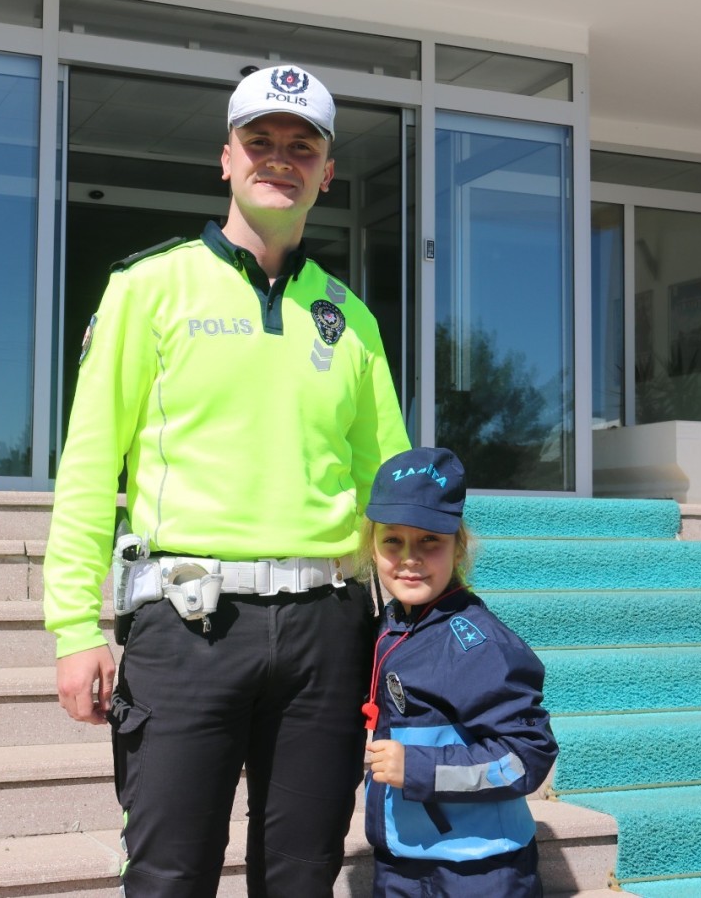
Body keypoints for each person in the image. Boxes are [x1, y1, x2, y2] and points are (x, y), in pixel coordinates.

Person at [42, 63, 411, 897]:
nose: (279, 158)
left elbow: (387, 488)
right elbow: (89, 467)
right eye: (259, 141)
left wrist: (419, 623)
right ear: (226, 159)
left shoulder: (350, 317)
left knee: (302, 876)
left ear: (326, 172)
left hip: (328, 630)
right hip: (188, 626)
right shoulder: (147, 288)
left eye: (301, 147)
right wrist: (72, 628)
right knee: (169, 876)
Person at [359, 446, 557, 898]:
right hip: (401, 859)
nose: (410, 557)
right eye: (393, 541)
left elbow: (526, 756)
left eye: (430, 540)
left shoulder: (479, 644)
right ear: (372, 547)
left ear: (459, 546)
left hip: (479, 871)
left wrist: (418, 768)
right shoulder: (392, 624)